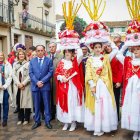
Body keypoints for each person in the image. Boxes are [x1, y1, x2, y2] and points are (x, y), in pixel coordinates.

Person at [116, 18, 140, 140]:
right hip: (131, 89)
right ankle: (136, 130)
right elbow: (119, 54)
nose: (136, 51)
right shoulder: (128, 60)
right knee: (133, 107)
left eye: (138, 49)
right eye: (134, 49)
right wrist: (127, 43)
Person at [29, 45, 53, 130]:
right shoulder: (32, 61)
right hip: (35, 86)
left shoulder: (49, 60)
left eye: (41, 50)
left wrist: (42, 81)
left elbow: (50, 72)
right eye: (38, 50)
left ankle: (47, 121)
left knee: (47, 104)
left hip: (45, 86)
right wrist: (37, 82)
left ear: (44, 51)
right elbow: (31, 73)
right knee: (36, 105)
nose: (39, 52)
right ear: (36, 51)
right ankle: (37, 121)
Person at [104, 42, 123, 121]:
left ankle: (116, 118)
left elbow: (120, 70)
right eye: (106, 46)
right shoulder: (104, 57)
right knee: (107, 101)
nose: (108, 48)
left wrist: (119, 81)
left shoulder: (117, 56)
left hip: (115, 82)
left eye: (109, 46)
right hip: (106, 82)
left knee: (115, 100)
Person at [13, 50, 32, 125]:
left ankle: (26, 118)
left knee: (26, 102)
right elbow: (13, 75)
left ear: (24, 55)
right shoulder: (15, 64)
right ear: (18, 56)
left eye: (22, 54)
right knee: (19, 102)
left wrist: (23, 84)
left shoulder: (28, 64)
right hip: (18, 86)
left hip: (26, 86)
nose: (21, 55)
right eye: (19, 54)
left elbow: (30, 75)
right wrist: (18, 84)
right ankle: (20, 118)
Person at [48, 42, 62, 120]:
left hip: (57, 80)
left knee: (56, 97)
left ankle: (59, 114)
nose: (52, 48)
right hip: (48, 80)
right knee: (49, 97)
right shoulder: (47, 57)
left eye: (53, 46)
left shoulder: (60, 57)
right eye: (50, 47)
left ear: (56, 47)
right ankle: (52, 114)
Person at [0, 52, 12, 127]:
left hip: (5, 88)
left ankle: (5, 119)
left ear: (4, 56)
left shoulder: (7, 64)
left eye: (1, 55)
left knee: (5, 104)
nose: (0, 57)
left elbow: (10, 76)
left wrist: (4, 86)